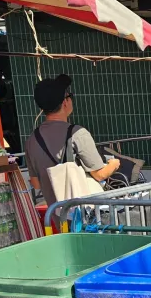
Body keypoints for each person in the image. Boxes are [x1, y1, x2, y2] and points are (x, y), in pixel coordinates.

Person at [24, 76, 119, 208]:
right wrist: (114, 163)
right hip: (84, 213)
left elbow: (36, 184)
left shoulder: (32, 140)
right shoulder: (77, 133)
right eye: (70, 96)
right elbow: (100, 174)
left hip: (56, 213)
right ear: (65, 102)